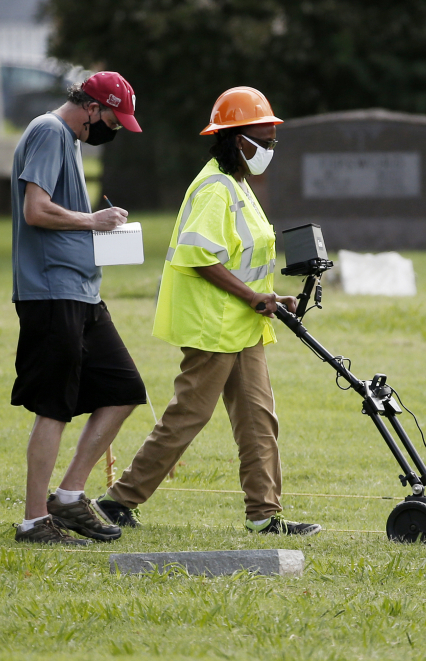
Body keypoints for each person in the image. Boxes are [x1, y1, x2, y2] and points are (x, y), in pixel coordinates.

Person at [97, 86, 321, 536]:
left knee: (258, 418)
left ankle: (264, 514)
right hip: (213, 326)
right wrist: (251, 297)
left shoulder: (237, 184)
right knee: (189, 415)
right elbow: (199, 257)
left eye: (273, 140)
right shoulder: (215, 189)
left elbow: (243, 257)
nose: (270, 149)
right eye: (265, 139)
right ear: (239, 140)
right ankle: (117, 502)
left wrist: (270, 296)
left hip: (245, 323)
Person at [10, 72, 147, 545]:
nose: (113, 128)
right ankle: (33, 522)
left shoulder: (67, 139)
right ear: (92, 107)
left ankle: (68, 498)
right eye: (113, 118)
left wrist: (99, 230)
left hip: (82, 292)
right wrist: (93, 220)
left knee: (124, 387)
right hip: (51, 292)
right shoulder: (50, 131)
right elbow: (36, 209)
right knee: (54, 405)